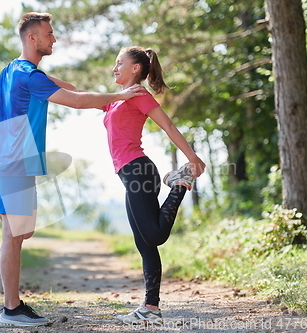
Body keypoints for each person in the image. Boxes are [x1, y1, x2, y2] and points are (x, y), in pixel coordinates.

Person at [0, 12, 145, 327]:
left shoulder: (13, 71)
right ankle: (11, 310)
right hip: (17, 160)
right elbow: (76, 101)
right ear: (32, 38)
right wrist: (119, 96)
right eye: (49, 34)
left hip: (20, 161)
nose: (54, 39)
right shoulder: (28, 75)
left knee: (22, 229)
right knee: (13, 234)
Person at [100, 46, 206, 324]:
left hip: (139, 171)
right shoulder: (116, 99)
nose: (114, 68)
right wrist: (40, 77)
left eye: (119, 63)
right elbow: (76, 94)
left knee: (155, 236)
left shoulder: (138, 94)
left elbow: (168, 126)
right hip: (129, 175)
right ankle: (151, 308)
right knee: (145, 243)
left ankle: (179, 185)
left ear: (135, 68)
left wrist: (192, 158)